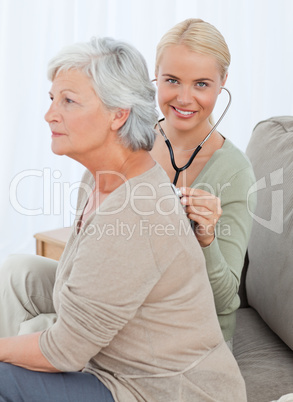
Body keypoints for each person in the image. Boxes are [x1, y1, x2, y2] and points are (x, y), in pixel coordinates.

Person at [0, 37, 247, 401]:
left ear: (119, 114)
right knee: (17, 271)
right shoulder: (101, 177)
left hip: (164, 391)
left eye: (68, 101)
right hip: (117, 362)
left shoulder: (134, 215)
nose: (50, 114)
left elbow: (63, 351)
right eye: (52, 99)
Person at [150, 18, 256, 348]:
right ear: (156, 77)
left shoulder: (235, 172)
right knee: (18, 272)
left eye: (201, 84)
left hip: (188, 335)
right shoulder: (132, 142)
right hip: (129, 306)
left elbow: (224, 302)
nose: (184, 98)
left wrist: (206, 239)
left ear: (222, 83)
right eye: (172, 80)